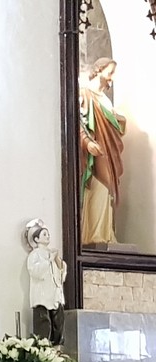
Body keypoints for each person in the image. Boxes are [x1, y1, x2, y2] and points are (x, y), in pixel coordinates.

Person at [80, 58, 125, 245]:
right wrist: (86, 142)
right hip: (95, 152)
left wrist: (119, 120)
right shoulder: (84, 93)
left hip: (108, 152)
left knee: (107, 191)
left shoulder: (105, 100)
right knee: (98, 187)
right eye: (110, 72)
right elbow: (78, 123)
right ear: (99, 70)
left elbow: (114, 126)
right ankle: (93, 234)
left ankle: (106, 234)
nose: (111, 78)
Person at [25, 219, 67, 345]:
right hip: (42, 296)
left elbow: (61, 272)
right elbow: (35, 272)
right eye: (44, 234)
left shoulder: (52, 253)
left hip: (54, 295)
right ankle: (43, 349)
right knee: (44, 325)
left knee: (58, 324)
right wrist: (49, 260)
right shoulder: (35, 255)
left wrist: (58, 261)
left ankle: (57, 349)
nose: (47, 236)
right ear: (36, 239)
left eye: (48, 234)